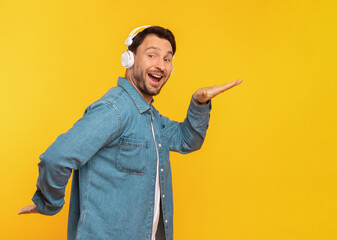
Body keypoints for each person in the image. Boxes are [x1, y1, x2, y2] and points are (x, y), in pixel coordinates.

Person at [18, 25, 242, 240]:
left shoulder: (151, 117)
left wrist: (198, 103)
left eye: (167, 59)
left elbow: (187, 140)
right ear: (130, 58)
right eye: (152, 55)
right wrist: (49, 203)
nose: (161, 65)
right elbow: (57, 158)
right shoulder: (114, 110)